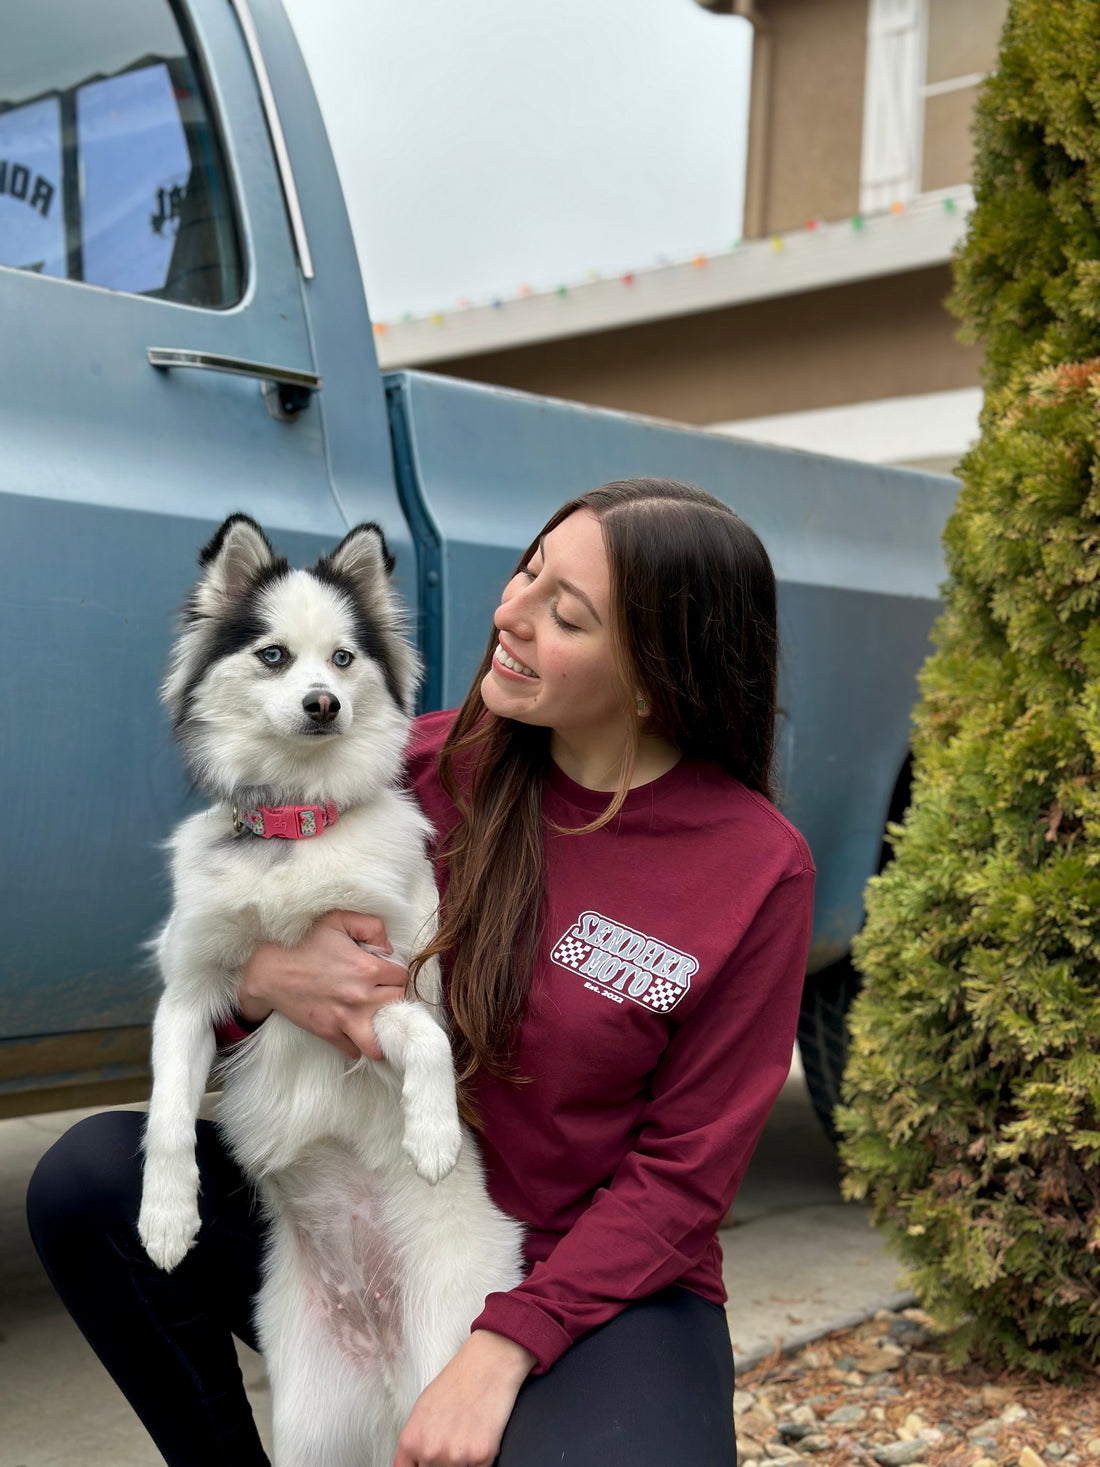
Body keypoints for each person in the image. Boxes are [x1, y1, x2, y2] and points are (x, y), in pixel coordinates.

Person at [27, 478, 815, 1467]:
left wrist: (502, 1347)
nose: (510, 617)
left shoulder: (751, 864)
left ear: (658, 675)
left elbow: (681, 1178)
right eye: (526, 573)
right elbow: (222, 954)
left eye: (563, 614)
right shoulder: (403, 763)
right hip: (368, 1198)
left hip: (588, 1269)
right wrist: (269, 980)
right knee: (93, 1182)